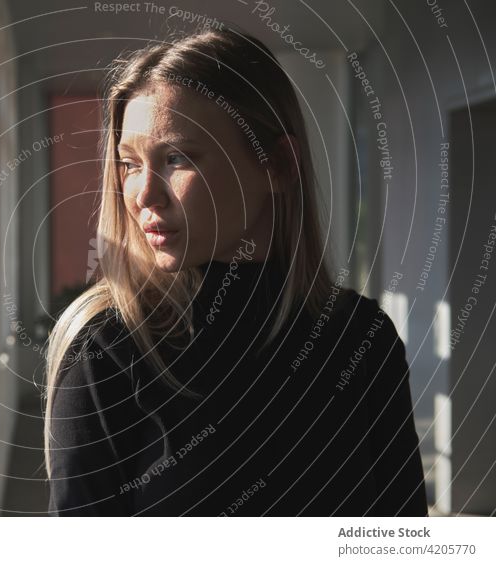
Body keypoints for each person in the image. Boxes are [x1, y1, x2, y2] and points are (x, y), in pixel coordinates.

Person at [42, 26, 428, 516]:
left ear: (279, 164)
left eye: (177, 158)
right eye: (129, 163)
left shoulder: (361, 338)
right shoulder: (108, 349)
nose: (142, 195)